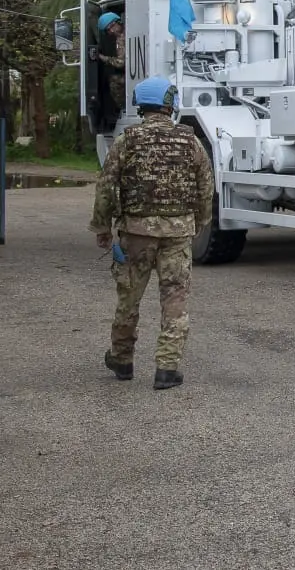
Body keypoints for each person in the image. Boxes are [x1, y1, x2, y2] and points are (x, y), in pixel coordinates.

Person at [89, 76, 214, 390]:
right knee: (175, 299)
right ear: (169, 104)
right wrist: (200, 220)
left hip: (136, 233)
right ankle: (167, 368)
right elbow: (205, 186)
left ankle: (122, 359)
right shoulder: (190, 140)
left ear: (140, 104)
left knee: (129, 298)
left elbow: (106, 185)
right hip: (178, 233)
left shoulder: (127, 140)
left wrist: (102, 226)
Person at [91, 13, 124, 131]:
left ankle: (123, 110)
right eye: (108, 30)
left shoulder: (123, 37)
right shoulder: (121, 36)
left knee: (114, 81)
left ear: (118, 22)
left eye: (111, 26)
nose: (111, 31)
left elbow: (120, 63)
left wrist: (102, 58)